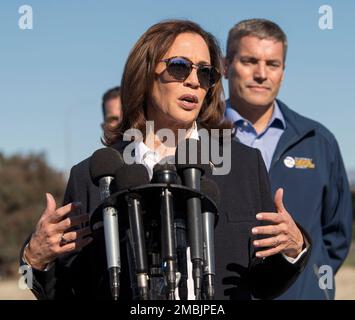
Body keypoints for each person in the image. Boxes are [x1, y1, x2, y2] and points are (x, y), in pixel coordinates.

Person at [20, 20, 311, 300]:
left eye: (205, 73)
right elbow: (71, 292)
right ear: (145, 74)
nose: (194, 81)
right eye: (179, 67)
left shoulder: (244, 165)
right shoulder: (92, 175)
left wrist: (293, 250)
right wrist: (33, 262)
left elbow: (262, 286)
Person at [224, 18, 352, 299]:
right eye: (249, 61)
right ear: (225, 66)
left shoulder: (318, 140)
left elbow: (337, 234)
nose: (261, 74)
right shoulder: (198, 138)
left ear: (282, 72)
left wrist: (309, 276)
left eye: (273, 64)